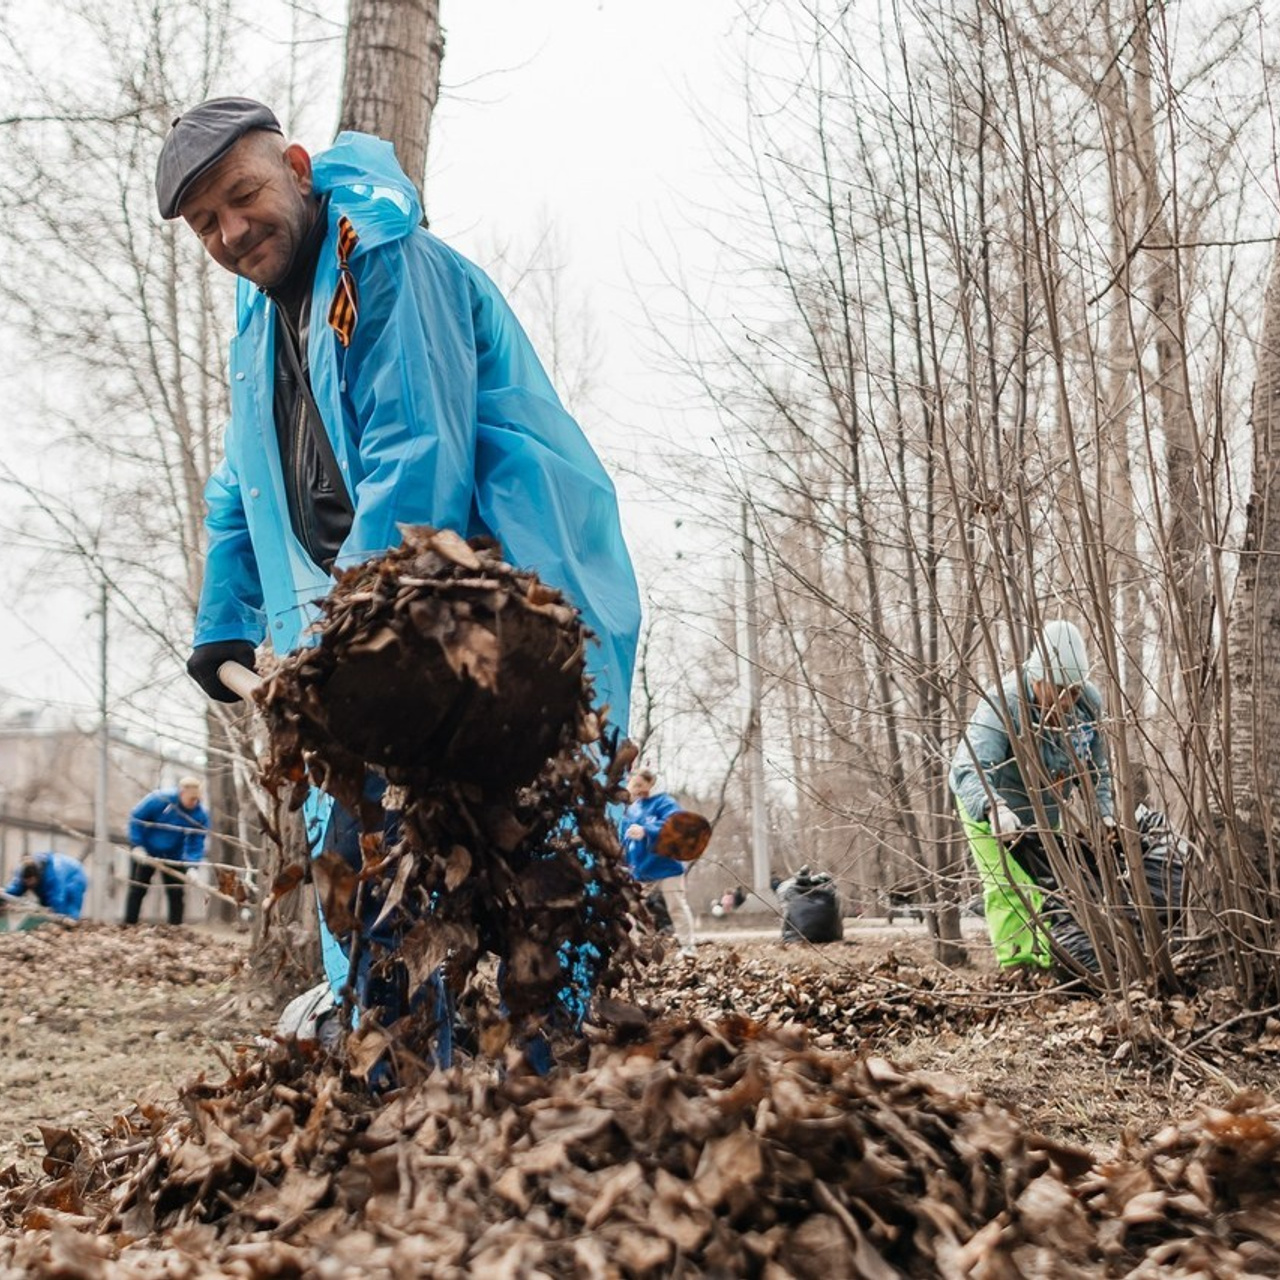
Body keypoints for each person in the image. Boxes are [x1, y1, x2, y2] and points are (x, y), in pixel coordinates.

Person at [156, 100, 641, 1048]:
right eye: (206, 223)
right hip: (389, 624)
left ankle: (563, 1083)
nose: (231, 231)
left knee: (534, 857)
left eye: (242, 196)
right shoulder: (262, 328)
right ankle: (406, 1091)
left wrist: (350, 645)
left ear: (296, 167)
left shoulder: (386, 262)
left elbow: (417, 460)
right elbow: (238, 485)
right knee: (380, 870)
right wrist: (225, 621)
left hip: (504, 607)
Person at [949, 620, 1116, 972]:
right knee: (1011, 887)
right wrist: (994, 808)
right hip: (989, 806)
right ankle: (1020, 970)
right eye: (1057, 692)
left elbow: (1098, 769)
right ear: (1036, 679)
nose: (1066, 703)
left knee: (1050, 889)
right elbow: (970, 767)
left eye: (1073, 692)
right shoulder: (1004, 702)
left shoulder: (1087, 705)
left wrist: (1104, 813)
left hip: (1046, 811)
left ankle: (1050, 964)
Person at [621, 768, 697, 955]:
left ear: (650, 783)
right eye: (633, 785)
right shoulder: (633, 808)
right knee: (632, 908)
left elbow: (675, 823)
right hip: (641, 867)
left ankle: (688, 948)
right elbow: (624, 836)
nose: (636, 789)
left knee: (676, 905)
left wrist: (647, 830)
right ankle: (633, 946)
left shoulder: (665, 802)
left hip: (667, 865)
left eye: (640, 785)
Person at [124, 778, 210, 926]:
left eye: (197, 799)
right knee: (137, 889)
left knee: (176, 893)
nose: (194, 802)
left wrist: (192, 866)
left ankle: (176, 928)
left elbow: (196, 843)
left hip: (174, 855)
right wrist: (137, 846)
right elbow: (136, 818)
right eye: (191, 799)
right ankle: (129, 924)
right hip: (146, 851)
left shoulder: (199, 814)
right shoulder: (160, 799)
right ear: (181, 793)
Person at [3, 852, 88, 921]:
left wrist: (59, 917)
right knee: (45, 905)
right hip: (48, 882)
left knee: (68, 909)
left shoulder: (53, 876)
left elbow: (58, 898)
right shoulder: (21, 873)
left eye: (31, 883)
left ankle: (71, 924)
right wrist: (4, 897)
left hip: (74, 876)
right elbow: (14, 890)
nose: (29, 885)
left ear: (38, 876)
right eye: (26, 883)